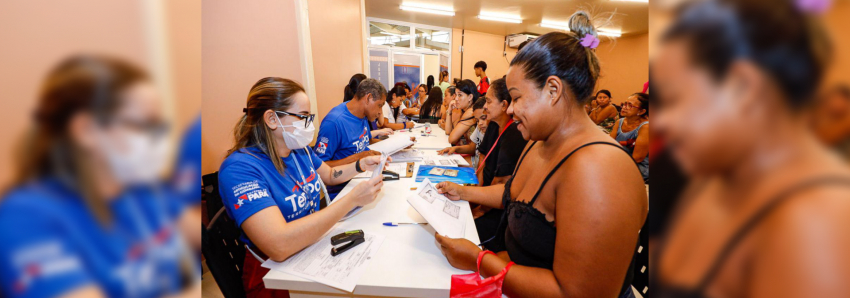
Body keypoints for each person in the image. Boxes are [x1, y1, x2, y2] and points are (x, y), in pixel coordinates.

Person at [433, 11, 647, 298]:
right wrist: (463, 192)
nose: (510, 109)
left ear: (553, 90)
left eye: (518, 98)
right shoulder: (538, 141)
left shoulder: (601, 170)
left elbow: (576, 293)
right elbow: (516, 194)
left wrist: (479, 261)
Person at [653, 0, 850, 296]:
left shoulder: (815, 225)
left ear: (743, 87)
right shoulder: (712, 176)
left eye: (672, 99)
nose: (659, 123)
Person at [0, 55, 201, 298]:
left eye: (159, 125)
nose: (159, 139)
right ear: (86, 130)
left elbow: (200, 235)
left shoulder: (142, 190)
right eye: (144, 125)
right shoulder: (26, 217)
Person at [218, 77, 387, 298]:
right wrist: (351, 200)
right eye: (303, 117)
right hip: (274, 276)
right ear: (271, 118)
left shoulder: (298, 150)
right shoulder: (240, 169)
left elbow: (328, 174)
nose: (309, 124)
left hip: (310, 250)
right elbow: (279, 245)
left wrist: (360, 164)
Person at [314, 78, 387, 199]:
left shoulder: (363, 115)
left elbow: (365, 141)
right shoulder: (334, 123)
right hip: (343, 191)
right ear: (368, 98)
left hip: (364, 178)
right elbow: (321, 167)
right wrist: (359, 157)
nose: (380, 112)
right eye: (379, 106)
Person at [439, 97, 487, 180]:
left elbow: (451, 137)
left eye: (483, 118)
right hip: (475, 161)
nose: (480, 123)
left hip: (479, 167)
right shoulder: (479, 127)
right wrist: (455, 148)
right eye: (477, 120)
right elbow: (472, 147)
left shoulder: (469, 113)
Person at [611, 93, 649, 183]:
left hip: (637, 167)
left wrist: (612, 165)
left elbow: (637, 158)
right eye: (624, 104)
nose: (624, 107)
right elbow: (610, 144)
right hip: (618, 162)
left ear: (642, 111)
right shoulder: (619, 122)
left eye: (630, 105)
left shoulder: (646, 127)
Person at [444, 79, 479, 145]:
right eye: (456, 95)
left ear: (470, 97)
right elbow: (448, 132)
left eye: (460, 95)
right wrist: (449, 110)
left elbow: (451, 139)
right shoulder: (464, 110)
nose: (456, 99)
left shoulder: (471, 112)